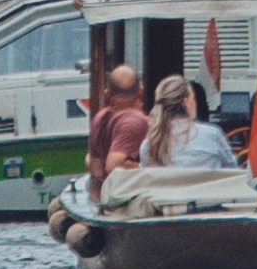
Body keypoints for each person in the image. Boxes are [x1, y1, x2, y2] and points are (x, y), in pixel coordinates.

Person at [140, 75, 239, 170]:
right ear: (186, 102)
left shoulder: (148, 146)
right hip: (206, 187)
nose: (195, 103)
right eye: (194, 98)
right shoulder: (212, 135)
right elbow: (232, 170)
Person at [85, 65, 148, 195]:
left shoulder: (99, 118)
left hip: (106, 196)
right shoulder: (135, 121)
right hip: (127, 199)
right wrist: (150, 169)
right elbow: (113, 165)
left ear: (107, 94)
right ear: (141, 91)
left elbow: (95, 167)